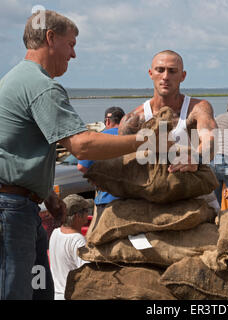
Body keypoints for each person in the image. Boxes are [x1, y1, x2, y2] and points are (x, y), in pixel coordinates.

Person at [0, 10, 146, 300]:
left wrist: (46, 195)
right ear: (51, 38)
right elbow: (82, 145)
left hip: (22, 206)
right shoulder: (43, 86)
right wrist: (144, 142)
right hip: (12, 211)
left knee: (37, 290)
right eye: (72, 44)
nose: (74, 54)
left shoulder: (15, 78)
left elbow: (15, 149)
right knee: (14, 292)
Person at [118, 50, 218, 173]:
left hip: (194, 187)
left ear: (183, 76)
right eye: (160, 70)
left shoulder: (197, 108)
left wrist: (196, 159)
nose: (165, 77)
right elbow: (123, 160)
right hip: (151, 188)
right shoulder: (134, 119)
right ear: (150, 73)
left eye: (172, 71)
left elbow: (211, 140)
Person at [77, 106, 125, 215]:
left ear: (107, 121)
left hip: (107, 201)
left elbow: (81, 167)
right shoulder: (133, 137)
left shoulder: (98, 139)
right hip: (131, 200)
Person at [49, 194, 91, 300]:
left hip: (56, 294)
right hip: (71, 296)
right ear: (77, 216)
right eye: (86, 210)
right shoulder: (78, 240)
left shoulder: (55, 233)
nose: (88, 214)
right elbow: (87, 275)